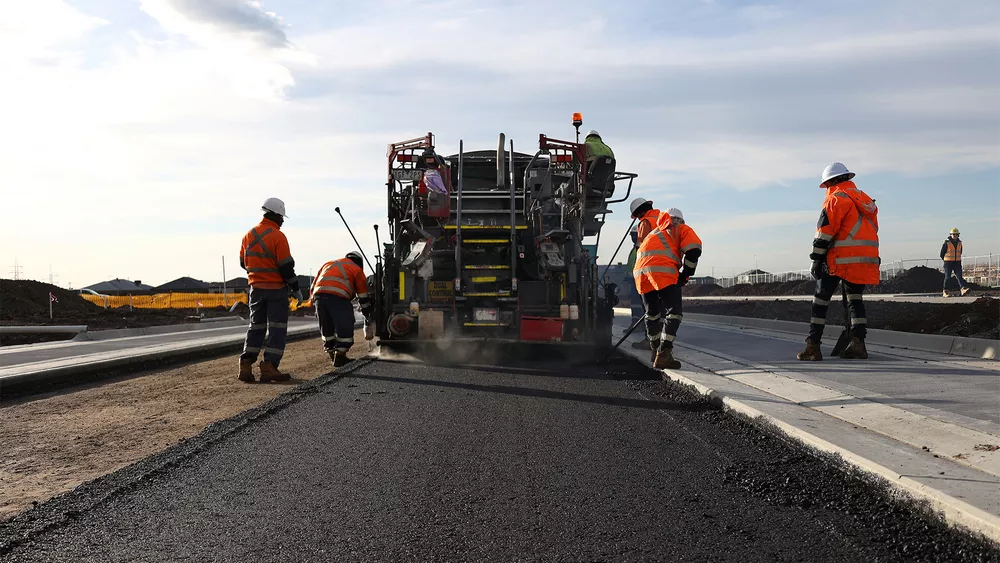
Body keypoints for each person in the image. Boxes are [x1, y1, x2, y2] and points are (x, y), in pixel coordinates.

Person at [797, 162, 880, 362]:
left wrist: (816, 259)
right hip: (865, 259)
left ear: (832, 181)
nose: (826, 189)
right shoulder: (865, 200)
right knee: (855, 301)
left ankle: (813, 347)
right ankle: (858, 344)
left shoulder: (836, 199)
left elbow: (825, 231)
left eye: (826, 185)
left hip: (839, 260)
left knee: (820, 301)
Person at [238, 198, 303, 383]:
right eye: (281, 217)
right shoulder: (278, 237)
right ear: (275, 215)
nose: (282, 221)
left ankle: (245, 365)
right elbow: (286, 267)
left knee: (256, 327)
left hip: (255, 290)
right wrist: (295, 288)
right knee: (277, 329)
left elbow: (243, 263)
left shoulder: (248, 235)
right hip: (275, 290)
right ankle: (269, 366)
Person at [634, 209, 703, 369]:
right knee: (674, 312)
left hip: (640, 272)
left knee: (652, 314)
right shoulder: (679, 228)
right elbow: (693, 251)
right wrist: (685, 275)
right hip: (662, 270)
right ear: (680, 220)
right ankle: (664, 353)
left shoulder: (654, 233)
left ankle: (655, 351)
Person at [311, 251, 372, 367]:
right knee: (345, 326)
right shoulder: (356, 269)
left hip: (318, 296)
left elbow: (314, 285)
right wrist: (367, 313)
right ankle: (340, 356)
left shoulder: (328, 264)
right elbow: (363, 296)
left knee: (326, 327)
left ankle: (332, 354)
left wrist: (314, 302)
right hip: (338, 297)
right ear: (359, 262)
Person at [628, 197, 662, 350]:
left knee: (651, 310)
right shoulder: (663, 219)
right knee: (662, 309)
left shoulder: (646, 223)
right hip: (667, 272)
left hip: (650, 272)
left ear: (640, 212)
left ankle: (650, 341)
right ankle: (662, 342)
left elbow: (642, 249)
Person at [941, 228, 970, 297]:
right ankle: (945, 291)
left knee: (959, 276)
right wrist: (946, 260)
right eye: (953, 234)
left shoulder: (960, 243)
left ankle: (963, 289)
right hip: (948, 263)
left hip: (957, 262)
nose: (955, 235)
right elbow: (942, 254)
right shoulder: (946, 243)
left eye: (956, 234)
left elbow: (960, 252)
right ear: (950, 235)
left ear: (958, 235)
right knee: (948, 277)